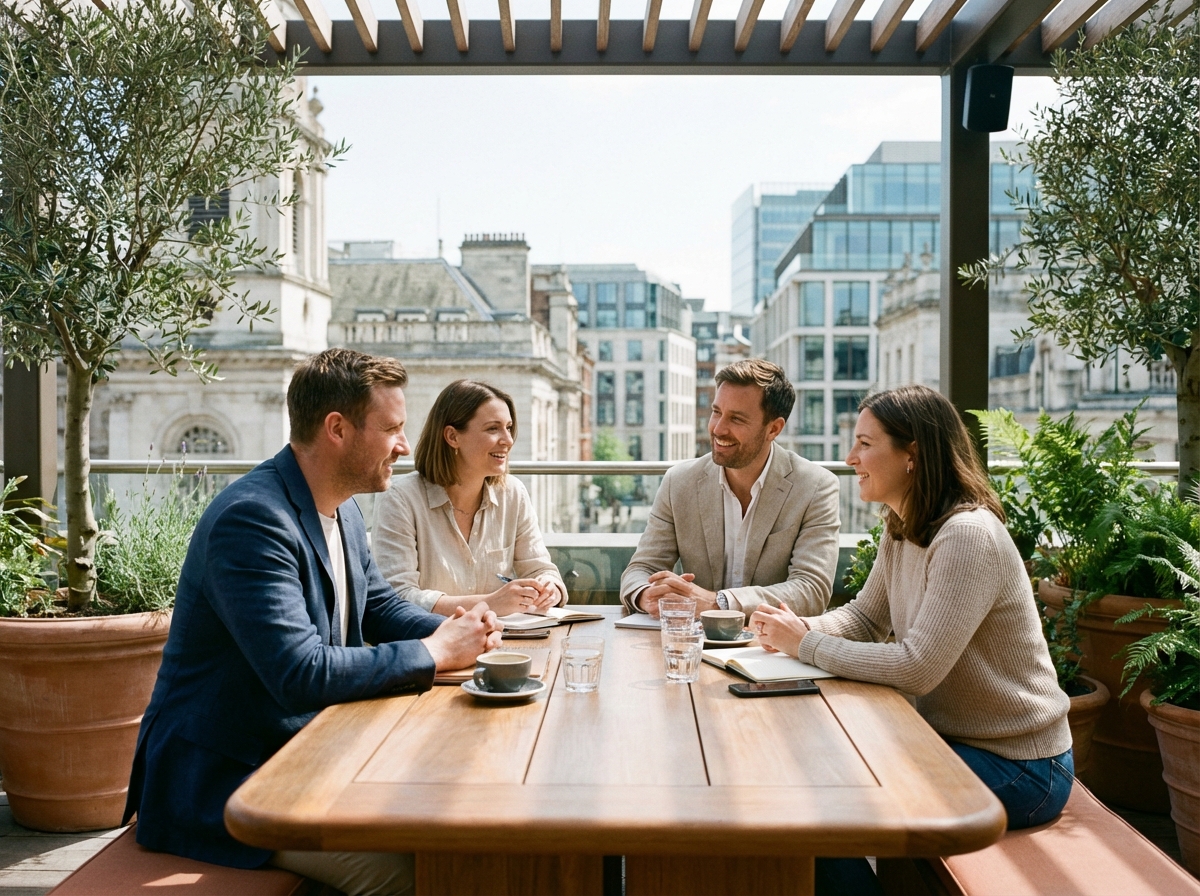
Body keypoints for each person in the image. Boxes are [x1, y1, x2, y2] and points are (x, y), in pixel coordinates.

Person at [124, 349, 502, 896]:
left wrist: (460, 627)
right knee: (417, 876)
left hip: (306, 754)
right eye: (393, 428)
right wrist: (437, 653)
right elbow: (299, 673)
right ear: (337, 429)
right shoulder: (252, 520)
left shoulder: (342, 507)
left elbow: (377, 607)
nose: (403, 445)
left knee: (460, 820)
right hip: (230, 783)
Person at [752, 384, 1073, 830]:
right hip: (946, 739)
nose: (851, 458)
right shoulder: (903, 524)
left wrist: (805, 644)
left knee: (822, 799)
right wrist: (794, 626)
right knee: (807, 766)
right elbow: (865, 618)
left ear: (912, 455)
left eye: (865, 444)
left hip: (1020, 766)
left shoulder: (966, 536)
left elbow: (917, 667)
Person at [620, 358, 841, 619]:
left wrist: (720, 603)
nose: (718, 428)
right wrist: (647, 595)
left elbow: (810, 591)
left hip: (768, 648)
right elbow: (641, 569)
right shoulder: (679, 481)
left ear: (773, 428)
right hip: (691, 641)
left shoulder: (815, 486)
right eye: (716, 412)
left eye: (736, 418)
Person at [373, 380, 566, 617]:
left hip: (502, 645)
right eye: (493, 429)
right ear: (453, 437)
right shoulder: (401, 499)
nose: (508, 440)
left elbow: (539, 568)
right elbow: (398, 597)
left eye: (509, 427)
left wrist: (549, 587)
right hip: (431, 646)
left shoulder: (513, 493)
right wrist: (490, 603)